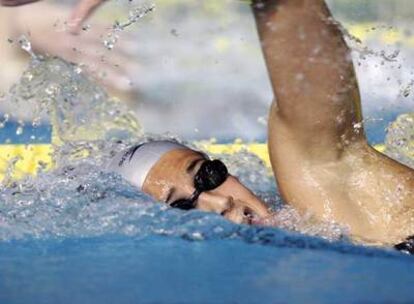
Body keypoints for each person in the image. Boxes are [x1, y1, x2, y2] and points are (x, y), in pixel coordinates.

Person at [4, 0, 414, 251]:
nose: (220, 204)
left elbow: (291, 10)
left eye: (208, 175)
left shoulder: (339, 204)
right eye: (181, 206)